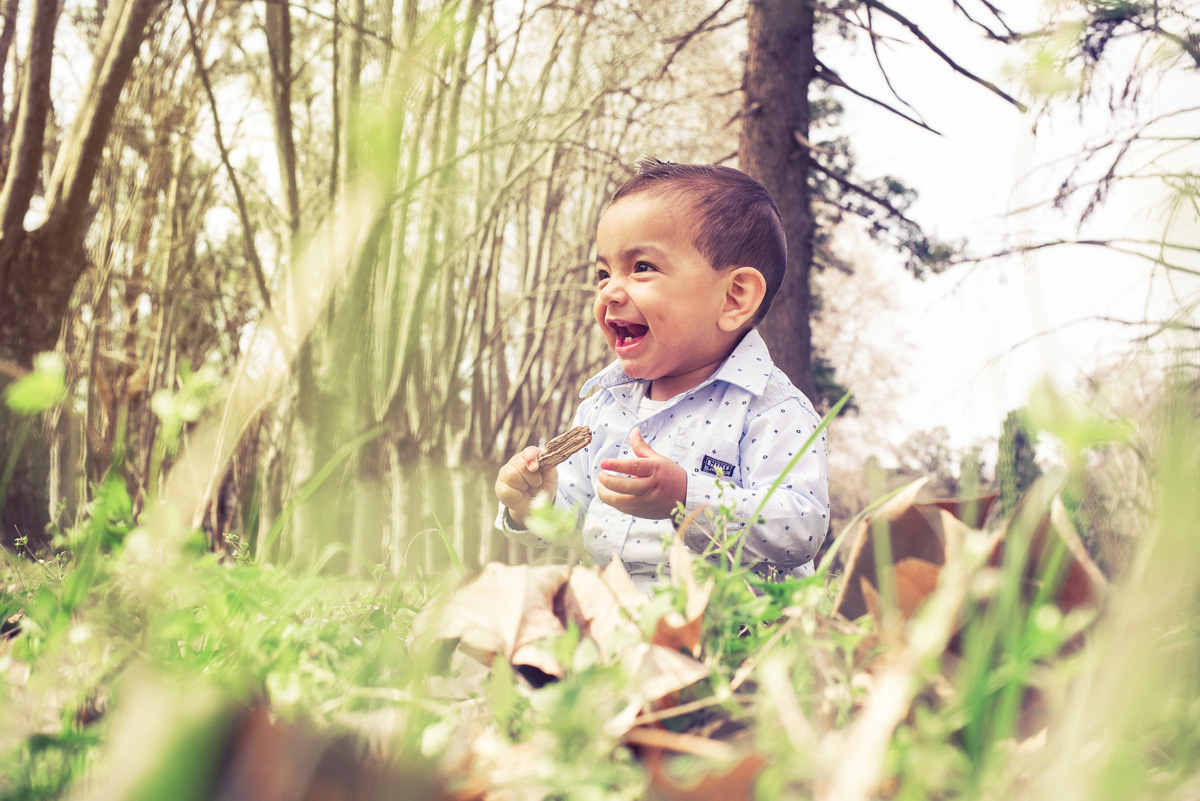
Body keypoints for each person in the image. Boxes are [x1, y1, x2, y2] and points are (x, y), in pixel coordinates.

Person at [494, 158, 830, 591]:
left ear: (734, 298)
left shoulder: (772, 410)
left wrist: (687, 498)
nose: (610, 291)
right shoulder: (602, 406)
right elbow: (574, 521)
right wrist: (535, 506)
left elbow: (800, 528)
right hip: (610, 620)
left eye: (642, 267)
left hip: (726, 628)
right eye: (603, 273)